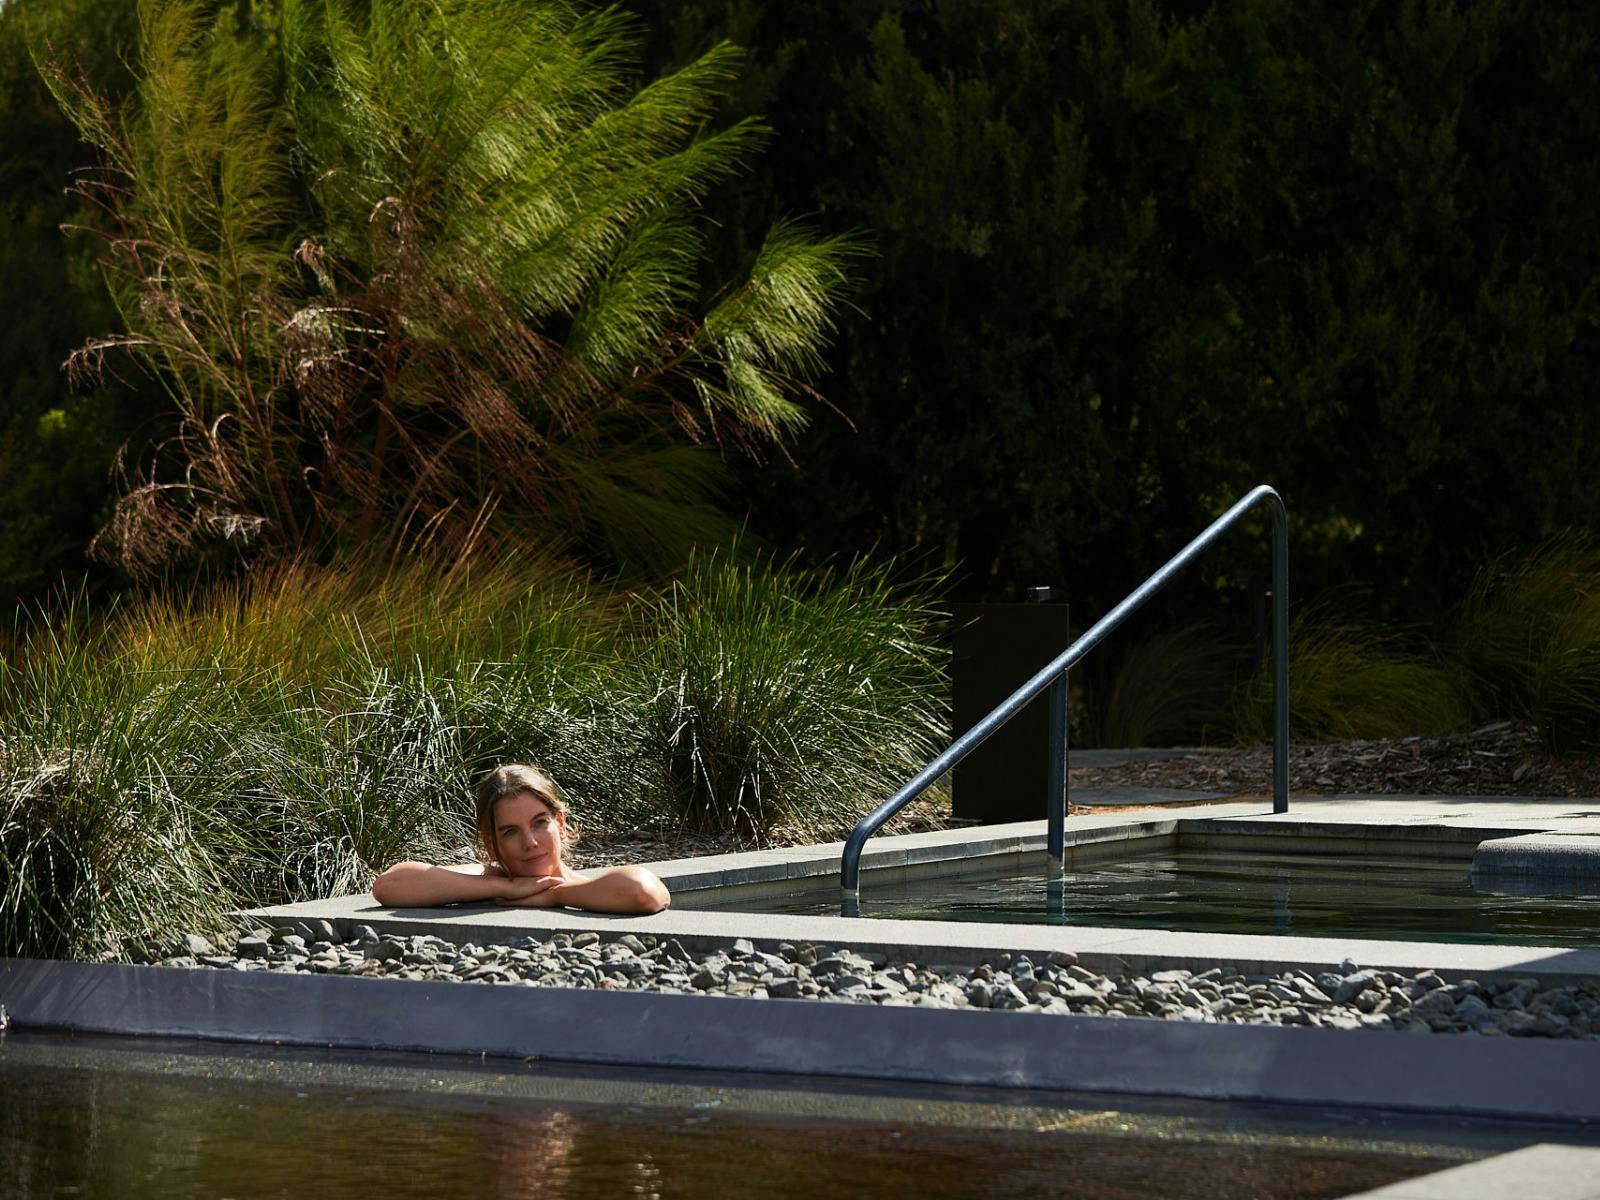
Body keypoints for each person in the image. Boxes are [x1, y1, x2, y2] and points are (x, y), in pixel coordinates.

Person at [371, 764, 670, 914]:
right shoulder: (491, 879)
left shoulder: (588, 887)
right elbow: (390, 884)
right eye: (510, 832)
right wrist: (507, 887)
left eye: (540, 823)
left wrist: (554, 895)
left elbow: (642, 892)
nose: (530, 842)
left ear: (560, 823)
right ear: (491, 844)